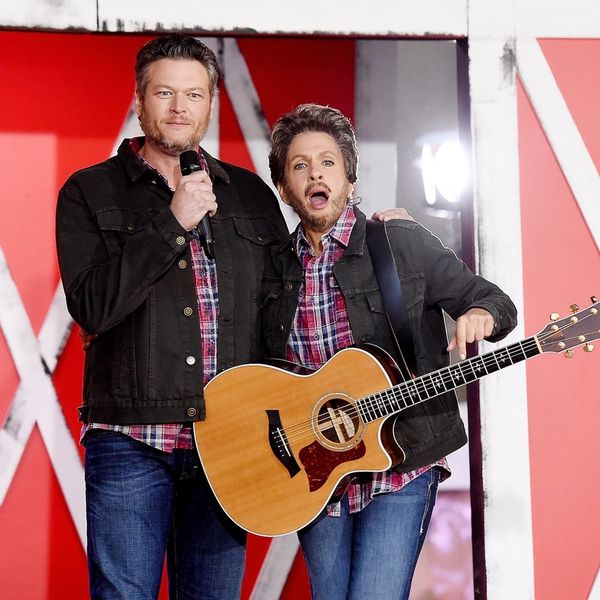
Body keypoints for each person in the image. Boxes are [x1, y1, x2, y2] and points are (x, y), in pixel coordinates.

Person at [55, 35, 290, 600]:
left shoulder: (251, 196)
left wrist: (374, 231)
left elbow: (282, 311)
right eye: (164, 93)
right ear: (140, 101)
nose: (180, 107)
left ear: (210, 104)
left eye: (194, 94)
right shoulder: (89, 191)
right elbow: (91, 306)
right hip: (131, 438)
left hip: (230, 442)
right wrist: (172, 223)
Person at [262, 103, 518, 600]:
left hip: (401, 462)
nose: (316, 173)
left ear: (349, 179)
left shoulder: (400, 242)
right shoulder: (272, 269)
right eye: (300, 165)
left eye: (328, 162)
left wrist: (482, 315)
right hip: (315, 467)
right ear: (285, 188)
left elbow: (493, 299)